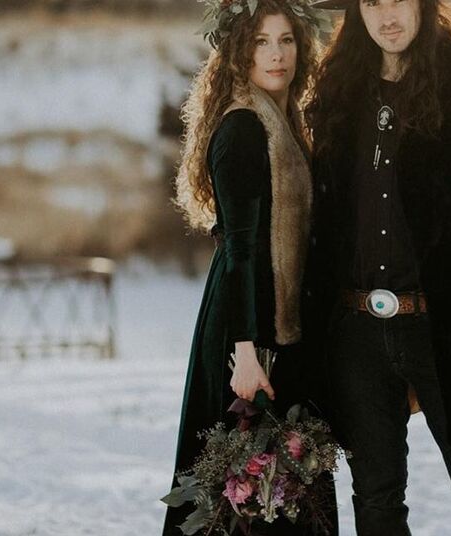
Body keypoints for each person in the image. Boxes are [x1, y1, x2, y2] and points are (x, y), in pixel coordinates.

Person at [304, 0, 451, 534]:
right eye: (372, 2)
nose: (387, 16)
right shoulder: (337, 87)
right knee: (375, 499)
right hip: (356, 330)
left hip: (450, 322)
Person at [164, 1, 337, 534]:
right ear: (240, 52)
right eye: (261, 42)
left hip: (279, 328)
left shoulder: (285, 122)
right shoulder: (243, 127)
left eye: (286, 40)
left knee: (286, 495)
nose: (276, 54)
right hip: (249, 333)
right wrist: (243, 354)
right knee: (244, 500)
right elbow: (240, 248)